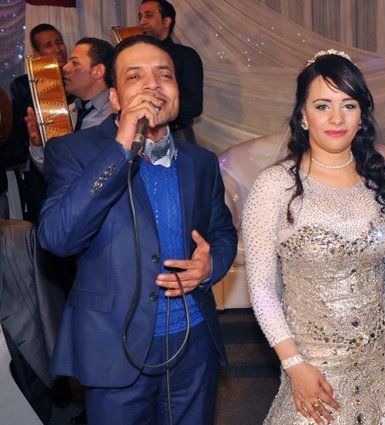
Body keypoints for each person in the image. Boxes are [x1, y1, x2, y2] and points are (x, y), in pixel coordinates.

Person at [37, 35, 237, 424]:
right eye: (134, 76)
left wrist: (210, 266)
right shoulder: (72, 152)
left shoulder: (201, 161)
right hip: (114, 347)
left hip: (193, 344)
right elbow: (58, 238)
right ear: (114, 98)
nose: (152, 85)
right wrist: (120, 148)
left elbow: (222, 233)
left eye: (165, 74)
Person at [243, 51, 385, 424]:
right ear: (303, 114)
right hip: (317, 366)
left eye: (348, 105)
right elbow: (262, 289)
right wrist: (293, 364)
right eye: (322, 105)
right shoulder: (275, 185)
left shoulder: (383, 177)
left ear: (362, 116)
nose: (336, 118)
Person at [26, 37, 115, 173]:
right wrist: (38, 144)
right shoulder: (66, 113)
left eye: (74, 63)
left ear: (98, 71)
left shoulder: (116, 114)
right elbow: (54, 172)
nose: (65, 68)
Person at [9, 23, 67, 222]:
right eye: (48, 45)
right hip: (40, 169)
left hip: (74, 167)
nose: (58, 49)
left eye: (59, 42)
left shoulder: (76, 78)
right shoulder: (23, 85)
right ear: (37, 54)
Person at [138, 0, 203, 144]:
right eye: (140, 16)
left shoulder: (186, 55)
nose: (142, 22)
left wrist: (155, 108)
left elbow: (194, 106)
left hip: (176, 134)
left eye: (148, 15)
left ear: (166, 21)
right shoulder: (135, 56)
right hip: (138, 134)